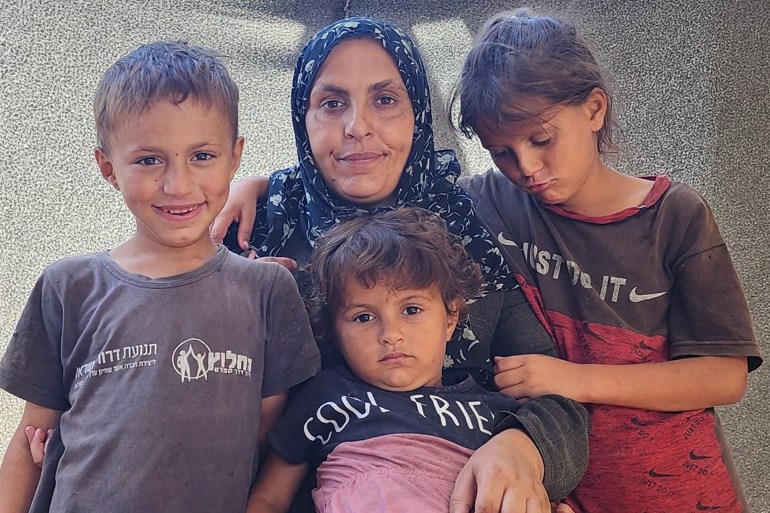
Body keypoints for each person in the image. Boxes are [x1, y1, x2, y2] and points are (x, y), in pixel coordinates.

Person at [210, 16, 586, 513]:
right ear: (302, 118)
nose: (357, 126)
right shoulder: (247, 232)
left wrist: (523, 447)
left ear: (419, 114)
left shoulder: (467, 229)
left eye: (385, 100)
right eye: (331, 102)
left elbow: (557, 397)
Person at [452, 9, 763, 513]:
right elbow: (399, 182)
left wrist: (571, 377)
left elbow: (725, 375)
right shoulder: (491, 201)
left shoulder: (675, 217)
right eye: (501, 152)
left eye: (541, 139)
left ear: (594, 109)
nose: (525, 168)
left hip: (683, 493)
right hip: (564, 492)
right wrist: (274, 190)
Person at [0, 41, 320, 513]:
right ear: (108, 168)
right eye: (149, 160)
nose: (178, 184)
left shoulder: (267, 290)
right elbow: (29, 443)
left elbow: (271, 438)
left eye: (203, 156)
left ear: (235, 157)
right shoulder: (67, 287)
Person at [246, 207, 589, 513]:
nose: (391, 334)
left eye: (411, 310)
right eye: (364, 317)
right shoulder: (326, 397)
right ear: (334, 332)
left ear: (451, 317)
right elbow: (270, 499)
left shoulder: (498, 412)